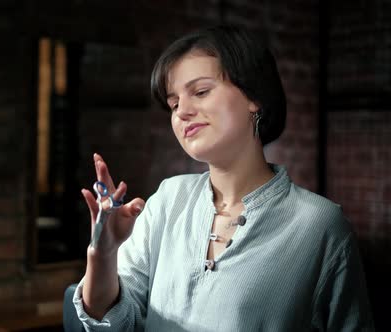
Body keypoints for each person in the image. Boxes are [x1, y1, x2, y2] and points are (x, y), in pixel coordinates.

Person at [72, 25, 374, 331]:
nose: (182, 112)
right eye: (174, 104)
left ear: (254, 96)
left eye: (201, 92)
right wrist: (103, 254)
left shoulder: (319, 225)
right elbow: (109, 321)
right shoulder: (167, 199)